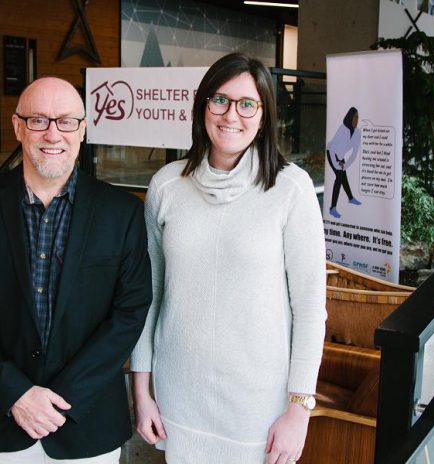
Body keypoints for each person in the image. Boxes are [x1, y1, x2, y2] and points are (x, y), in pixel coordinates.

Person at [0, 77, 152, 464]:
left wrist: (63, 400)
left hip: (87, 422)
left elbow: (129, 313)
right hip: (2, 418)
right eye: (38, 120)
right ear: (18, 127)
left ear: (83, 130)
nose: (53, 133)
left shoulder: (121, 212)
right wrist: (16, 394)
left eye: (67, 121)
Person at [130, 53, 327, 464]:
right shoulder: (166, 186)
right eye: (219, 100)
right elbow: (148, 298)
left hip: (257, 405)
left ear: (264, 115)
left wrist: (299, 409)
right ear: (203, 106)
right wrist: (141, 390)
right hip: (179, 398)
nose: (230, 115)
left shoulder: (291, 189)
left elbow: (310, 307)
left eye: (246, 104)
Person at [326, 107, 362, 219]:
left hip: (341, 157)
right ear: (350, 117)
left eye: (358, 117)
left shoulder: (357, 133)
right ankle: (332, 208)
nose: (357, 119)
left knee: (342, 176)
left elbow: (354, 153)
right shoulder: (342, 129)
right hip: (332, 153)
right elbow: (332, 149)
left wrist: (345, 165)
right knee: (340, 177)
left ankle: (350, 198)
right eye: (355, 117)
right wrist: (337, 165)